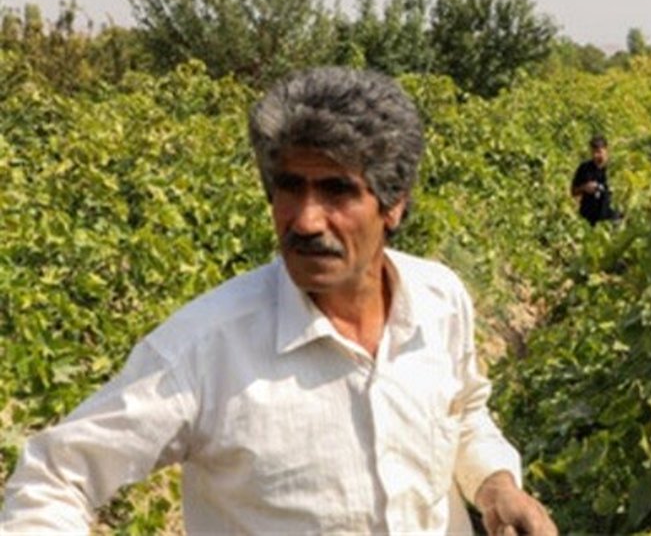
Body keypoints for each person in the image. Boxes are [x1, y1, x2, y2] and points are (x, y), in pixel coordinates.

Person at [0, 67, 558, 536]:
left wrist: (494, 485)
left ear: (394, 206)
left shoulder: (439, 301)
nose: (307, 220)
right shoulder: (207, 348)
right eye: (290, 187)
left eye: (337, 190)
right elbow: (52, 478)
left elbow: (462, 414)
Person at [570, 135, 620, 226]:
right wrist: (584, 188)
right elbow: (573, 191)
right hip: (588, 219)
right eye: (593, 152)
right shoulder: (584, 168)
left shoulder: (615, 168)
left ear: (606, 150)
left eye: (599, 152)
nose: (595, 156)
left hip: (610, 219)